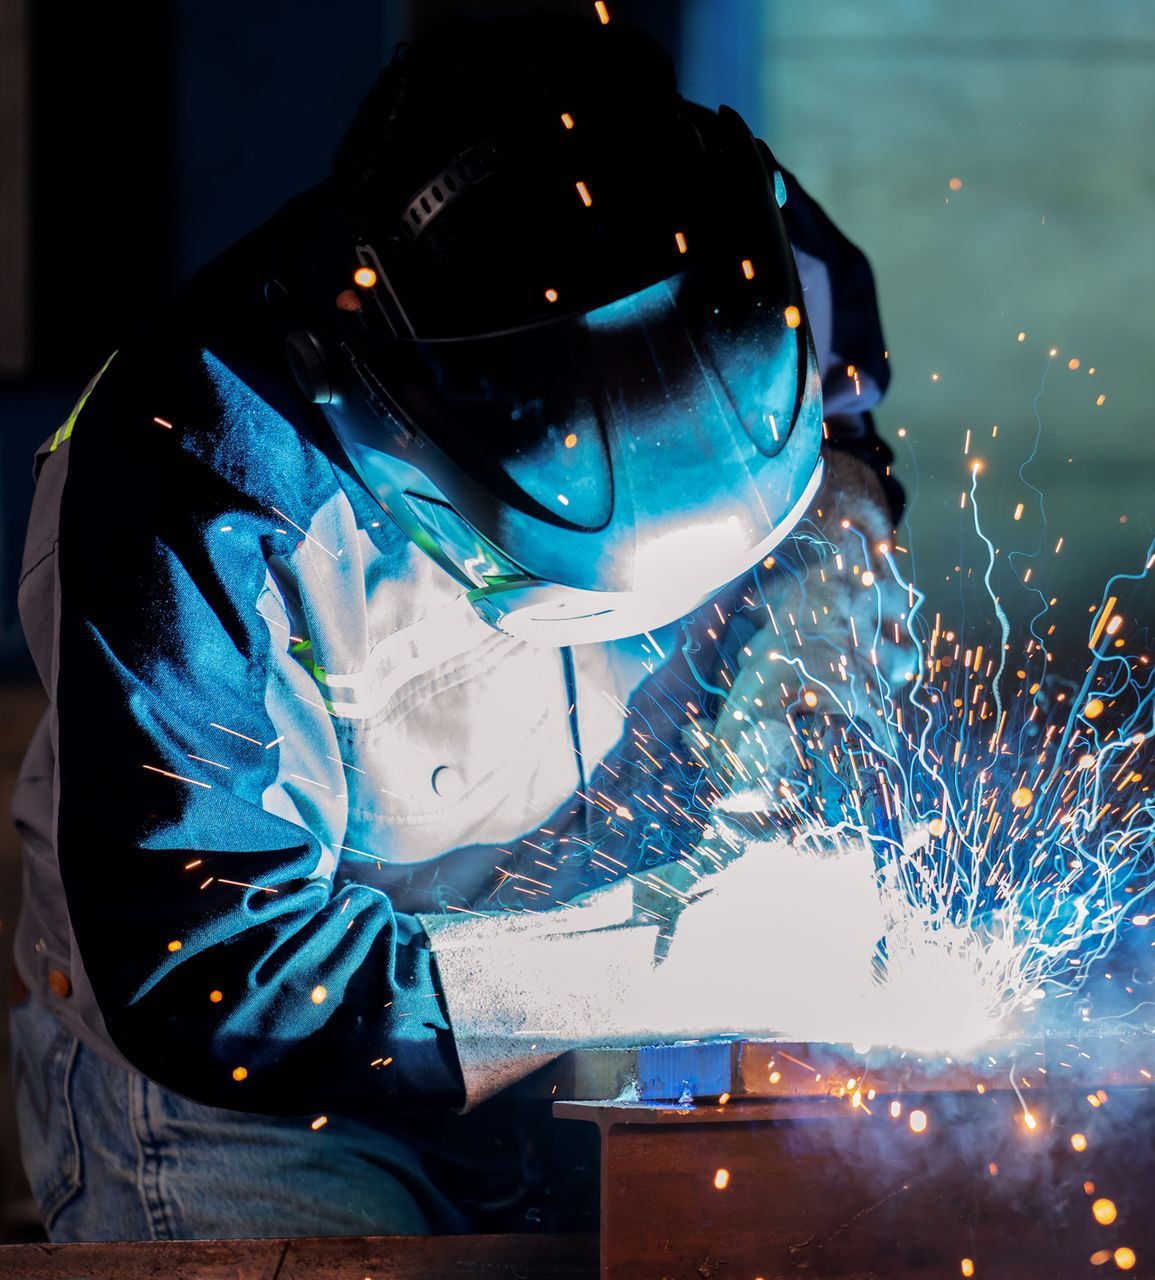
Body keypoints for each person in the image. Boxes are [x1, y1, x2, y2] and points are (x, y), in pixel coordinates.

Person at [9, 12, 909, 1240]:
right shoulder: (188, 478)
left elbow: (845, 411)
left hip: (599, 1047)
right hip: (249, 1106)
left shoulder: (747, 245)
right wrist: (650, 961)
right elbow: (204, 969)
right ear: (403, 425)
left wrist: (831, 547)